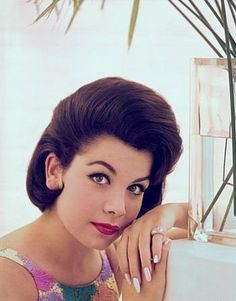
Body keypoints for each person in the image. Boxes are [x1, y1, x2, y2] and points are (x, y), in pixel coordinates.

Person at [0, 77, 188, 301]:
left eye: (135, 187)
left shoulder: (117, 254)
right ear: (55, 169)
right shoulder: (8, 276)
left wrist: (169, 213)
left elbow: (221, 236)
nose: (117, 208)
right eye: (100, 178)